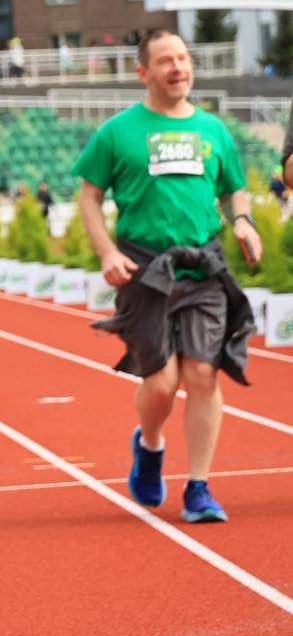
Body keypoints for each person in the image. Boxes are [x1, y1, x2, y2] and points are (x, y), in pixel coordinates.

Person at [76, 27, 260, 525]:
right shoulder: (118, 132)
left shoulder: (213, 130)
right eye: (165, 60)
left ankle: (198, 487)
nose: (178, 67)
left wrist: (243, 221)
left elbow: (234, 189)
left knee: (202, 374)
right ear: (143, 72)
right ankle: (150, 444)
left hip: (203, 266)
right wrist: (107, 252)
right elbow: (89, 195)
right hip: (144, 267)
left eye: (183, 58)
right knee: (161, 382)